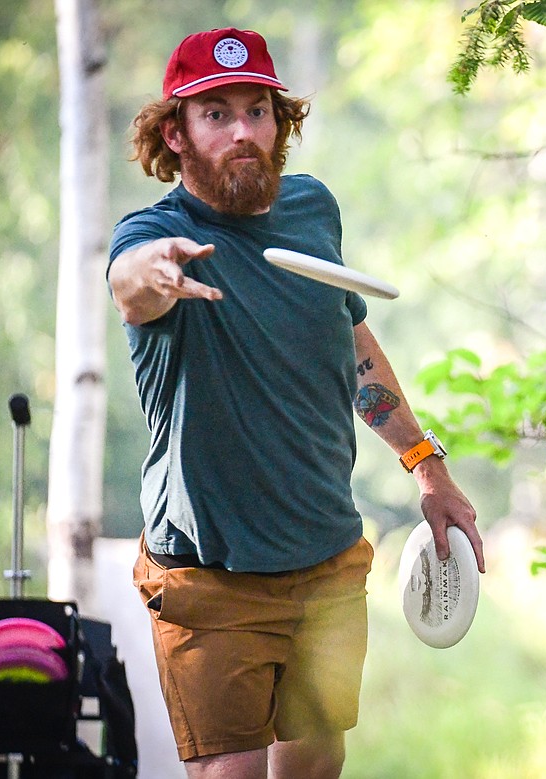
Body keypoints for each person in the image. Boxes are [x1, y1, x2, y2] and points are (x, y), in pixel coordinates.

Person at [107, 27, 485, 779]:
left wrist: (424, 464)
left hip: (325, 561)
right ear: (174, 134)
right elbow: (128, 280)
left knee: (316, 759)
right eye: (215, 114)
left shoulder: (313, 209)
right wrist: (157, 272)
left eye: (257, 109)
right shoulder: (157, 235)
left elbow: (350, 342)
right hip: (211, 573)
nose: (241, 131)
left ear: (281, 122)